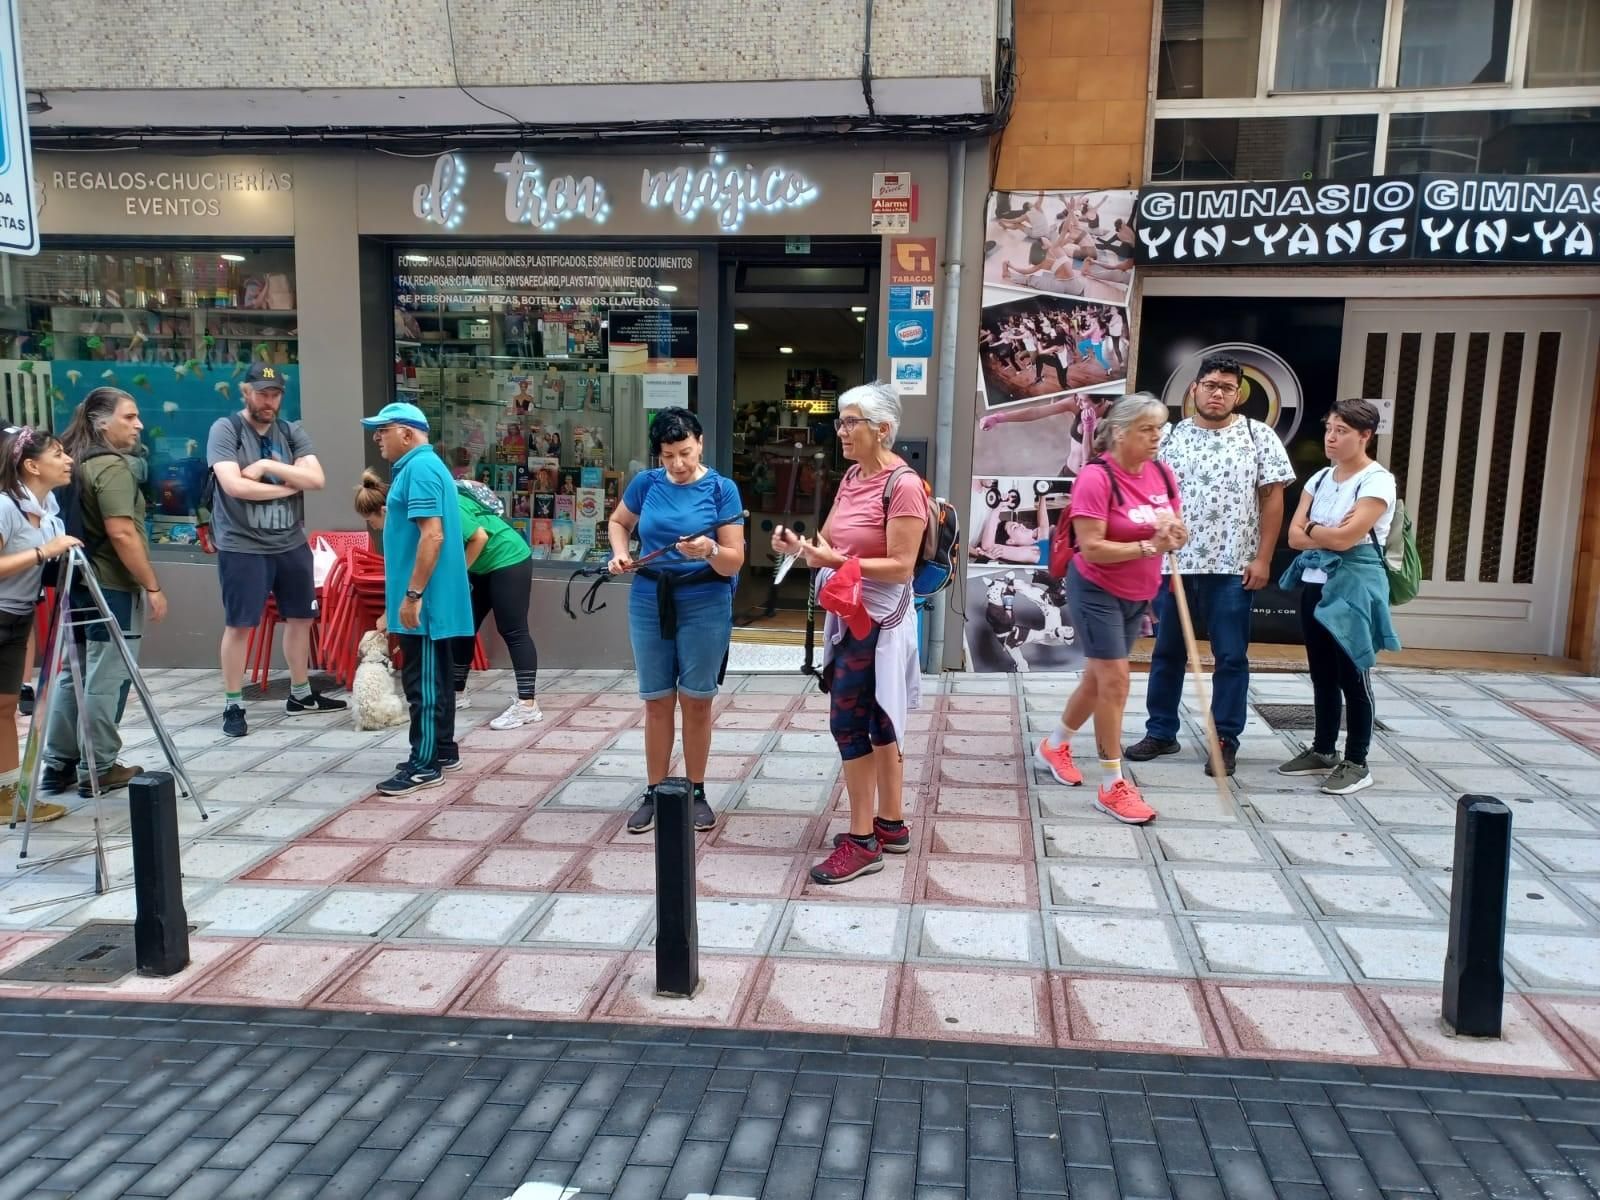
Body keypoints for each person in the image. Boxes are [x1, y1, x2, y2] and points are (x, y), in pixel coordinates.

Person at [774, 383, 925, 884]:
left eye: (850, 421)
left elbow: (902, 566)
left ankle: (862, 841)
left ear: (882, 429)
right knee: (878, 720)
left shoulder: (903, 485)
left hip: (877, 623)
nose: (841, 430)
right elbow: (828, 541)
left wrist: (835, 560)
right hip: (851, 613)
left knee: (850, 724)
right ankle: (891, 824)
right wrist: (799, 548)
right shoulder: (853, 478)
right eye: (840, 421)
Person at [1127, 355, 1295, 776]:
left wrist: (1263, 557)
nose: (1217, 393)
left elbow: (1273, 499)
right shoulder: (1167, 437)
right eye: (1210, 385)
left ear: (1238, 395)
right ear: (1193, 390)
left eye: (1226, 387)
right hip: (1173, 566)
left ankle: (1224, 738)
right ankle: (1161, 731)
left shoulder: (1259, 437)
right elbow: (1141, 490)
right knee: (1166, 653)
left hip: (1233, 567)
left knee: (1231, 656)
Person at [1035, 394, 1186, 825]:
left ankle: (1055, 744)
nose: (1157, 436)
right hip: (1097, 587)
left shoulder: (1161, 473)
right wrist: (1148, 545)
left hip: (1139, 589)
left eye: (1160, 428)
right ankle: (1111, 783)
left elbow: (1173, 523)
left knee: (1098, 679)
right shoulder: (1096, 477)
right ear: (1120, 432)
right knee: (1116, 682)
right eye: (1147, 428)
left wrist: (1175, 534)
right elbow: (1094, 548)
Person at [607, 407, 744, 835]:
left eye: (685, 452)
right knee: (657, 699)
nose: (678, 464)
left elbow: (734, 560)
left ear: (700, 443)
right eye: (668, 456)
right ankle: (655, 790)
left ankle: (697, 790)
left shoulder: (722, 490)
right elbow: (618, 522)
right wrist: (620, 552)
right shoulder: (646, 484)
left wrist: (709, 550)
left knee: (697, 700)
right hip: (650, 597)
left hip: (705, 597)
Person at [207, 361, 345, 738]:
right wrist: (289, 484)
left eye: (275, 393)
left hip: (291, 541)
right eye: (262, 392)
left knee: (301, 618)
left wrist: (267, 464)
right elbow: (235, 487)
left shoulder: (290, 431)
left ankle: (301, 694)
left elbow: (316, 478)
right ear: (246, 393)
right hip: (243, 545)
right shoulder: (226, 430)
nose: (269, 400)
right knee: (240, 625)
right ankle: (233, 703)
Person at [42, 388, 166, 799]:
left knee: (70, 673)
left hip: (73, 584)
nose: (138, 425)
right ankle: (99, 767)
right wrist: (152, 585)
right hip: (109, 585)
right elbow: (122, 531)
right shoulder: (110, 467)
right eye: (129, 417)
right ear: (101, 422)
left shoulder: (68, 463)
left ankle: (57, 764)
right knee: (104, 679)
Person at [354, 469, 542, 731]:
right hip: (482, 566)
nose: (372, 527)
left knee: (512, 629)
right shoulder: (410, 519)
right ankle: (457, 691)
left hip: (508, 557)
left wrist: (456, 574)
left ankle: (527, 705)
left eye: (371, 520)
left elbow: (479, 537)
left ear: (385, 510)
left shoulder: (436, 507)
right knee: (464, 627)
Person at [1278, 399, 1401, 796]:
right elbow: (1293, 536)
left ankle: (1357, 760)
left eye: (1342, 431)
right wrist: (1322, 531)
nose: (1331, 437)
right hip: (1316, 580)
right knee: (1321, 673)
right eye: (1329, 428)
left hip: (1355, 586)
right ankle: (1324, 748)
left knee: (1354, 674)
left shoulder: (1377, 480)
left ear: (1365, 436)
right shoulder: (1319, 479)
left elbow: (1349, 537)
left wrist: (1314, 528)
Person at [361, 402, 474, 796]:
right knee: (436, 680)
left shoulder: (421, 469)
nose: (377, 437)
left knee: (422, 684)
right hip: (429, 602)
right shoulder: (422, 467)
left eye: (383, 430)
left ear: (407, 434)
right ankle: (442, 749)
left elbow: (433, 535)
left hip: (424, 604)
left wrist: (412, 595)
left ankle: (424, 764)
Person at [0, 428, 82, 822]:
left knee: (6, 708)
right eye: (58, 454)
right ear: (32, 465)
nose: (68, 460)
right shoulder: (5, 506)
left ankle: (7, 795)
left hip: (18, 619)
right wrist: (42, 552)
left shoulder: (49, 511)